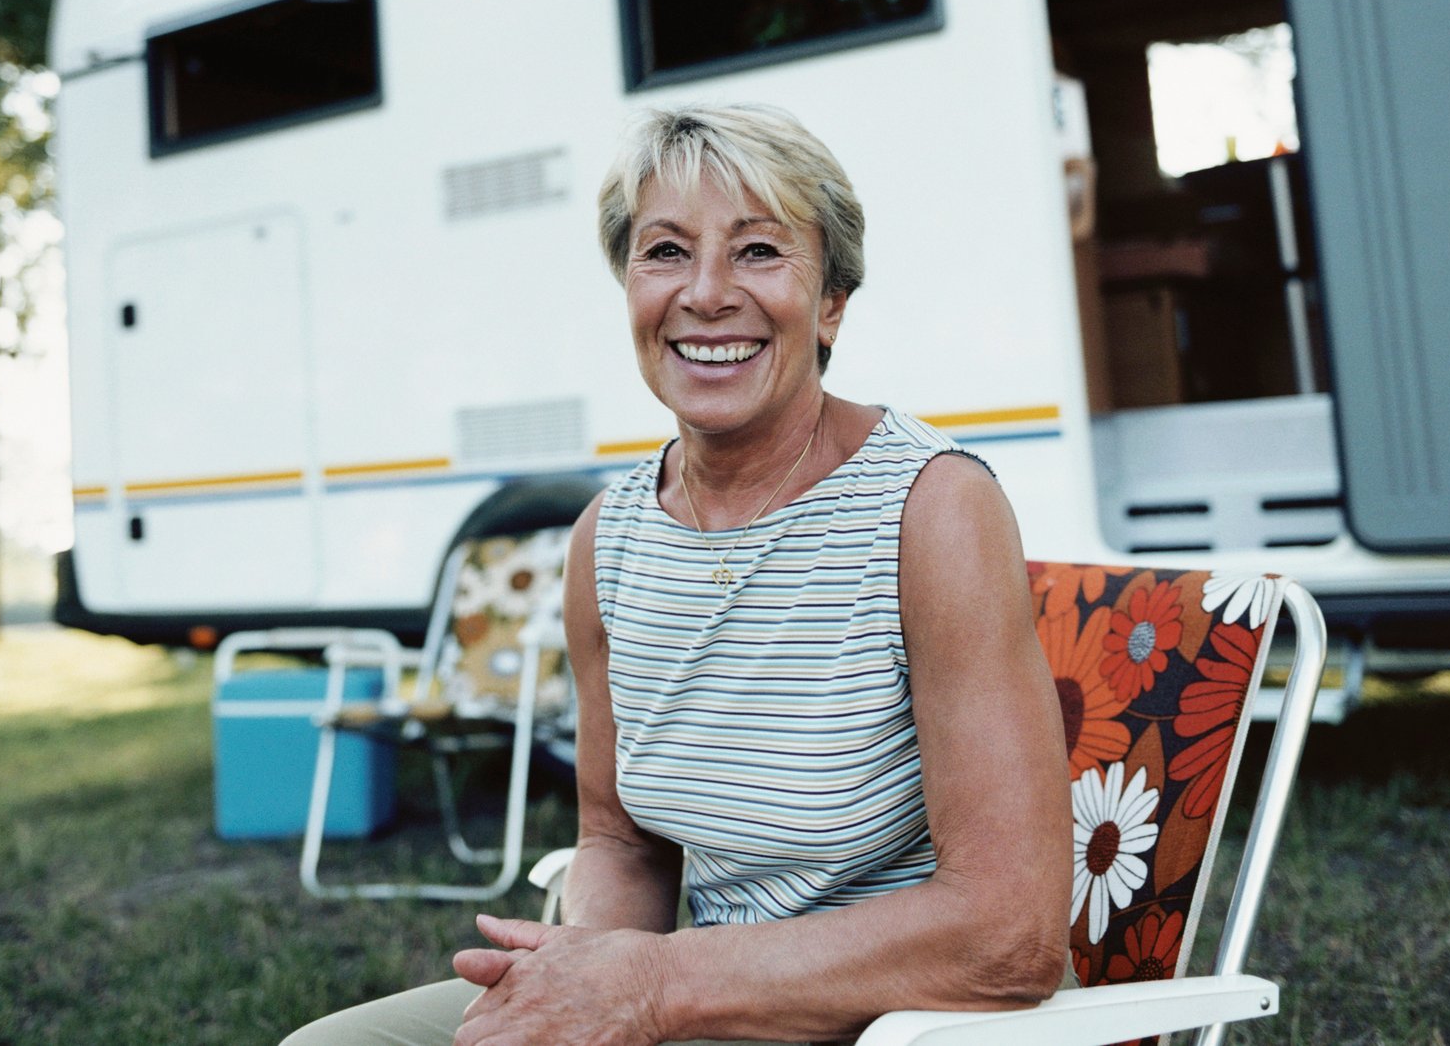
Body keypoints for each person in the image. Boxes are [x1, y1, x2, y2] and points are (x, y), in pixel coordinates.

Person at [283, 104, 1069, 1046]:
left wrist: (650, 986)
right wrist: (586, 981)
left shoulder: (930, 510)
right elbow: (620, 841)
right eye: (665, 252)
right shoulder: (606, 540)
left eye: (759, 251)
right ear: (628, 286)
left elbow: (1008, 932)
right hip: (698, 992)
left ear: (831, 300)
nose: (705, 293)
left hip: (893, 1016)